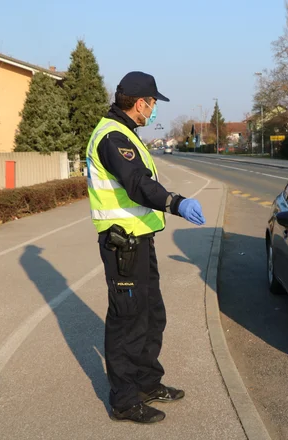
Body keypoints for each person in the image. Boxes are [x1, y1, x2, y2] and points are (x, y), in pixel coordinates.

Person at [85, 71, 205, 424]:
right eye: (153, 104)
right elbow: (138, 184)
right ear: (140, 103)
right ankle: (123, 400)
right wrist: (174, 202)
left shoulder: (126, 133)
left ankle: (147, 382)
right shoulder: (112, 137)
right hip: (123, 245)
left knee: (151, 315)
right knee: (127, 322)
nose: (154, 110)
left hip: (139, 240)